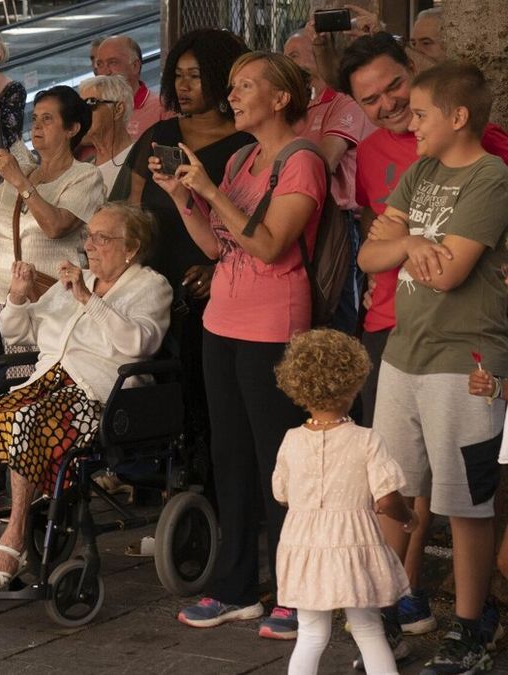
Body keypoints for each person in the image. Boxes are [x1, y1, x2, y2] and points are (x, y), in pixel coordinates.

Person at [338, 33, 508, 650]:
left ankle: (470, 624)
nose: (408, 123)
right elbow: (370, 257)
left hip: (465, 358)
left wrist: (405, 246)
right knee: (393, 490)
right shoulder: (419, 172)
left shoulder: (491, 176)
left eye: (419, 113)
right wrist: (410, 243)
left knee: (464, 501)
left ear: (457, 117)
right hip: (404, 353)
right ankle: (384, 613)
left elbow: (451, 272)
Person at [153, 52, 326, 639]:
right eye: (232, 86)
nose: (232, 95)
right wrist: (184, 196)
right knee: (230, 457)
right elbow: (214, 246)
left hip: (273, 325)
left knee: (277, 462)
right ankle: (236, 587)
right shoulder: (242, 159)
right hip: (222, 319)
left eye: (245, 85)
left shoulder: (302, 161)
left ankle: (294, 592)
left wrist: (209, 188)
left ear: (281, 98)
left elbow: (272, 245)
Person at [0, 203, 171, 590]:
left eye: (101, 238)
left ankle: (14, 541)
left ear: (132, 247)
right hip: (44, 384)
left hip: (96, 395)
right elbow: (17, 334)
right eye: (89, 236)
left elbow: (138, 344)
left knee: (24, 423)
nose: (89, 245)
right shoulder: (78, 279)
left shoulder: (151, 286)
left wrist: (88, 299)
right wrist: (18, 297)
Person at [118, 28, 252, 492]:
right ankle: (155, 481)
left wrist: (219, 270)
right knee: (152, 390)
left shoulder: (246, 143)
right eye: (178, 75)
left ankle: (206, 488)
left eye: (196, 75)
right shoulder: (161, 135)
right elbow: (132, 210)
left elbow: (250, 224)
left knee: (205, 397)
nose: (184, 85)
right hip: (153, 284)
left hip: (211, 288)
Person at [271, 328, 414, 675]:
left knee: (310, 635)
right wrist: (409, 517)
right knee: (369, 630)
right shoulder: (366, 440)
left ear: (299, 389)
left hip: (304, 548)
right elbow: (387, 498)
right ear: (354, 385)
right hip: (354, 548)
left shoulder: (291, 440)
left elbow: (281, 494)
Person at [0, 85, 103, 303]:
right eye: (34, 118)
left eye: (47, 119)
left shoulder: (85, 176)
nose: (36, 126)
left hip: (58, 300)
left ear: (72, 129)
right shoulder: (24, 171)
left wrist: (18, 180)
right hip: (8, 300)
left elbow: (55, 227)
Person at [284, 29, 373, 335]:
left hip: (338, 221)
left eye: (294, 55)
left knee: (338, 308)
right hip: (302, 217)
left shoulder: (343, 101)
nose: (288, 63)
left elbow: (323, 163)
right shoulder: (296, 108)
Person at [95, 35, 170, 140]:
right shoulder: (93, 109)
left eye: (113, 62)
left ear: (135, 66)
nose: (105, 72)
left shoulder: (162, 108)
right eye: (100, 64)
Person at [77, 74, 134, 192]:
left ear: (118, 109)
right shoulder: (83, 170)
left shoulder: (142, 159)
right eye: (78, 108)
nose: (80, 115)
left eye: (89, 104)